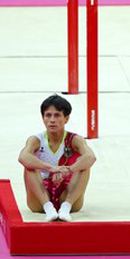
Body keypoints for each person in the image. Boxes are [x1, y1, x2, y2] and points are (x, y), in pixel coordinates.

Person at [18, 94, 96, 222]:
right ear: (43, 118)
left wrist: (68, 170)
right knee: (29, 166)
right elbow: (22, 157)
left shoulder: (75, 139)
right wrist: (52, 168)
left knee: (85, 165)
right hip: (40, 197)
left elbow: (91, 157)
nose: (52, 120)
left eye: (57, 115)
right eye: (48, 115)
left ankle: (66, 207)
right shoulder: (36, 140)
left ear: (66, 118)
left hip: (67, 194)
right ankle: (48, 208)